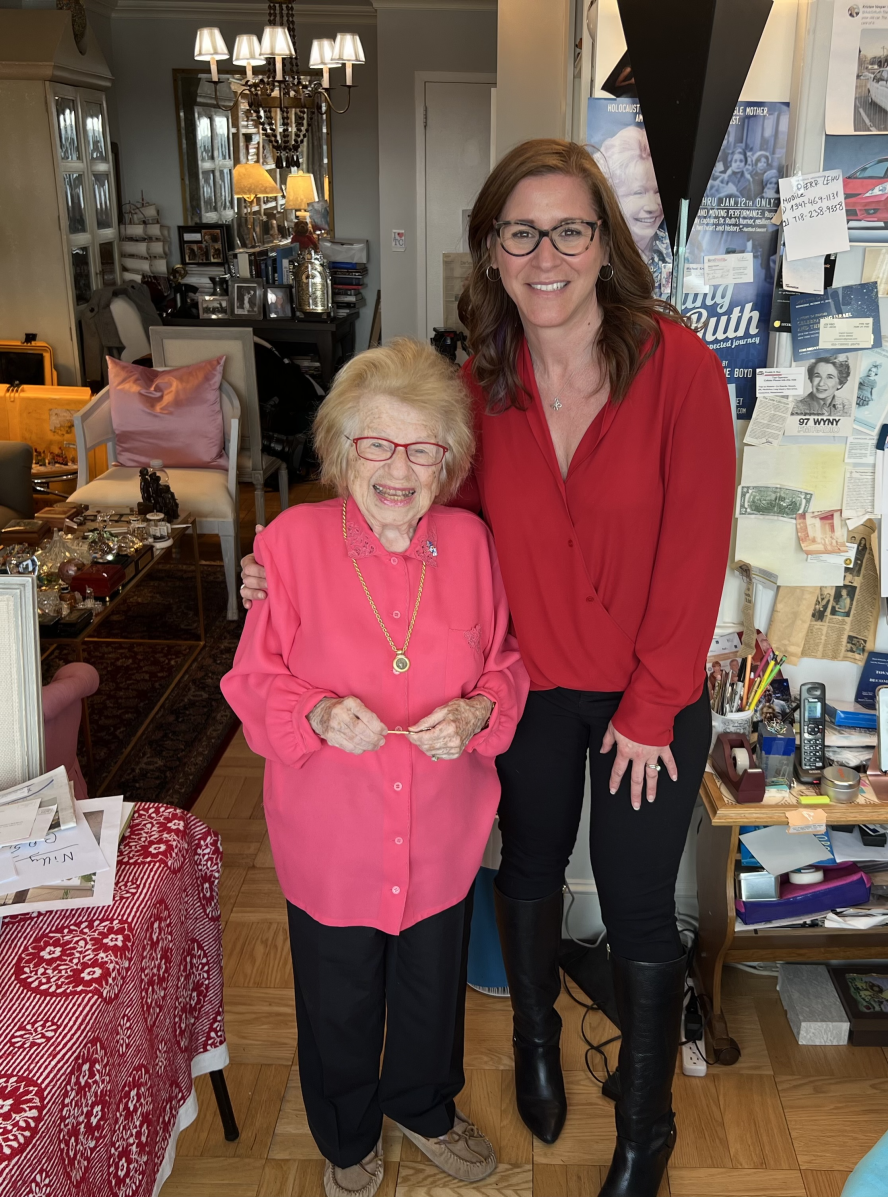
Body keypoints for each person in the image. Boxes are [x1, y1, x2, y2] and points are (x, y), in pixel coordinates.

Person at [241, 139, 736, 1197]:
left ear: (604, 243)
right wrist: (280, 571)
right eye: (522, 231)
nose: (546, 253)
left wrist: (652, 706)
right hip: (537, 690)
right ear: (494, 251)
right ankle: (540, 1051)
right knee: (528, 872)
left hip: (649, 697)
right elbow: (429, 527)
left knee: (645, 904)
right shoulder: (483, 381)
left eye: (571, 228)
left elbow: (698, 548)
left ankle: (647, 1128)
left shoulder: (678, 367)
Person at [222, 338, 529, 1197]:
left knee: (433, 988)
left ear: (448, 460)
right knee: (339, 997)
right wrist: (315, 712)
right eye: (378, 444)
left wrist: (475, 711)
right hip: (333, 836)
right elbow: (251, 680)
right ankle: (347, 1131)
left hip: (440, 829)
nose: (400, 468)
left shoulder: (472, 545)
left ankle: (425, 1105)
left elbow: (506, 664)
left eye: (423, 447)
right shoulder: (287, 544)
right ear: (342, 450)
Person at [593, 125, 672, 300]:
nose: (652, 206)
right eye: (639, 192)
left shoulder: (677, 251)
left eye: (658, 192)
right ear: (612, 197)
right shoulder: (593, 260)